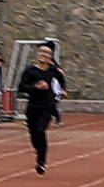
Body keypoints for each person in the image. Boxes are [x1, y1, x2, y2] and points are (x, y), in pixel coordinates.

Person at [18, 40, 68, 172]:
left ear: (51, 56)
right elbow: (21, 87)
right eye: (41, 52)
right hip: (33, 106)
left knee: (41, 131)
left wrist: (63, 89)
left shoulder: (53, 70)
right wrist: (36, 87)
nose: (43, 54)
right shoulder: (30, 70)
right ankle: (38, 150)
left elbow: (61, 77)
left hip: (48, 105)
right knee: (34, 134)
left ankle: (41, 161)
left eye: (46, 53)